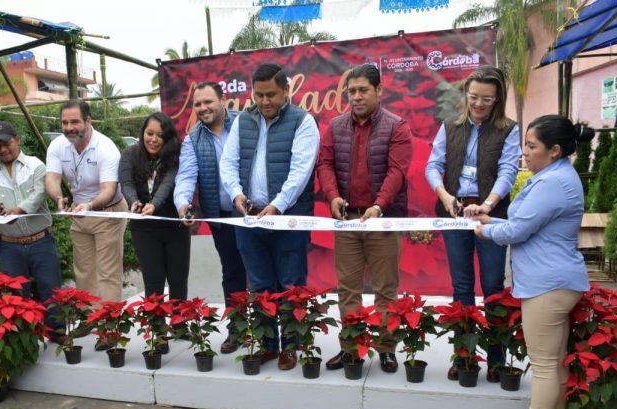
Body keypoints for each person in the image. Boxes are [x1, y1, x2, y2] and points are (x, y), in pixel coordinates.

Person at [474, 115, 591, 409]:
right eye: (525, 144)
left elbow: (517, 232)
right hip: (553, 281)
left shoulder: (554, 182)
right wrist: (489, 219)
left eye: (531, 146)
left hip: (548, 285)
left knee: (543, 367)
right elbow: (522, 223)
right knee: (554, 365)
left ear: (554, 150)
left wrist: (484, 232)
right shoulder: (554, 176)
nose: (524, 153)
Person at [219, 62, 320, 371]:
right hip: (250, 218)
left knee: (291, 283)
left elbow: (300, 172)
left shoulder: (303, 122)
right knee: (260, 285)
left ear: (286, 91)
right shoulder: (242, 121)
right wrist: (237, 194)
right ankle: (267, 346)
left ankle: (291, 346)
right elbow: (228, 162)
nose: (265, 101)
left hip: (288, 218)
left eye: (271, 95)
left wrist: (276, 207)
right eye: (259, 94)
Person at [424, 66, 521, 382]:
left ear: (497, 100)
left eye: (487, 100)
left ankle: (496, 360)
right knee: (461, 286)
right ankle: (463, 358)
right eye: (474, 97)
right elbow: (433, 166)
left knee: (492, 286)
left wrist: (488, 204)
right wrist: (445, 194)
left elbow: (508, 172)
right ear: (466, 94)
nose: (479, 104)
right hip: (455, 214)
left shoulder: (508, 129)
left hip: (490, 218)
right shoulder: (450, 126)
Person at [316, 63, 413, 373]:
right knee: (348, 289)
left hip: (382, 221)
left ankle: (386, 348)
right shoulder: (335, 126)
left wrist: (379, 206)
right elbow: (325, 165)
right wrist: (332, 196)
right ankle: (351, 348)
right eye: (351, 91)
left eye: (363, 90)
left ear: (379, 91)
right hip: (347, 221)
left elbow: (397, 171)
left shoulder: (397, 126)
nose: (356, 97)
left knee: (386, 288)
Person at [0, 121, 65, 343]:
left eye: (7, 143)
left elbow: (40, 192)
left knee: (50, 290)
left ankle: (58, 334)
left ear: (17, 140)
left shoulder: (36, 166)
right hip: (9, 245)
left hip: (40, 241)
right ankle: (25, 339)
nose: (3, 149)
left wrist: (21, 209)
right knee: (15, 296)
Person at [174, 81, 247, 354]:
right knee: (232, 272)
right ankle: (237, 329)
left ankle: (270, 334)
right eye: (197, 104)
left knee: (263, 274)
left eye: (208, 102)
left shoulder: (245, 124)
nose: (203, 108)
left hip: (253, 214)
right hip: (221, 218)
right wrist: (183, 205)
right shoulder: (192, 139)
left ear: (223, 99)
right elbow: (185, 177)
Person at [119, 112, 190, 352]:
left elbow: (169, 183)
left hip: (174, 226)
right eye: (150, 134)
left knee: (178, 278)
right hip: (144, 229)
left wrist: (155, 204)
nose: (154, 139)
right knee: (153, 280)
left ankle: (179, 325)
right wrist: (133, 202)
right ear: (142, 133)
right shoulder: (129, 154)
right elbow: (126, 183)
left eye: (160, 135)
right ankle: (157, 332)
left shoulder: (175, 156)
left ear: (167, 138)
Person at [45, 100, 128, 302]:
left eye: (74, 122)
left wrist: (90, 206)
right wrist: (58, 198)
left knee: (107, 272)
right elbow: (52, 178)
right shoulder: (57, 145)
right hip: (79, 212)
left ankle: (109, 325)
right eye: (64, 123)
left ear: (88, 121)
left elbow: (109, 190)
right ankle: (89, 318)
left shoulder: (105, 148)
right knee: (83, 270)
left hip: (108, 212)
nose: (69, 128)